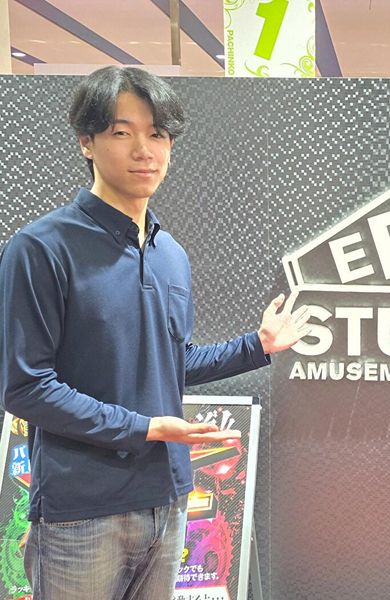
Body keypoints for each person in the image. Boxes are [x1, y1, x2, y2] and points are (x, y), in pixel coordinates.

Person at [0, 66, 309, 600]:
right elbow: (26, 387)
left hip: (167, 499)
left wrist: (256, 347)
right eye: (122, 132)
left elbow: (172, 362)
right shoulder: (41, 248)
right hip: (81, 511)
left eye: (158, 134)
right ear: (87, 142)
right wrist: (144, 428)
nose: (145, 150)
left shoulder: (171, 255)